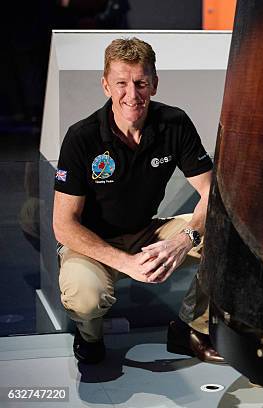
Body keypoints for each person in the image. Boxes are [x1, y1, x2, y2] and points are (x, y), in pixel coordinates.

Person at [53, 37, 223, 364]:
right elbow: (63, 224)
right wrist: (127, 264)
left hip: (146, 234)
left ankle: (191, 328)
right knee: (86, 295)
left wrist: (183, 240)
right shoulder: (82, 136)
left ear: (154, 85)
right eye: (121, 83)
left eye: (141, 83)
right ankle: (90, 337)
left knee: (226, 234)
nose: (132, 94)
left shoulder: (174, 123)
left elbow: (211, 193)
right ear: (105, 86)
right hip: (90, 242)